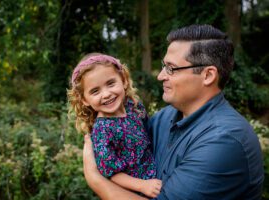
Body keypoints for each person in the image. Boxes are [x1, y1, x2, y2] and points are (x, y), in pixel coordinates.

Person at [83, 24, 264, 199]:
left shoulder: (223, 140)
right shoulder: (164, 117)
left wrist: (95, 179)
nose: (160, 75)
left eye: (171, 68)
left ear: (208, 75)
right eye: (163, 66)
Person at [68, 53, 162, 198]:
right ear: (84, 99)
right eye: (95, 91)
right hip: (136, 191)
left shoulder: (134, 107)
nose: (106, 94)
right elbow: (112, 174)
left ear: (123, 81)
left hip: (158, 173)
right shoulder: (102, 131)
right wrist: (143, 185)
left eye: (111, 83)